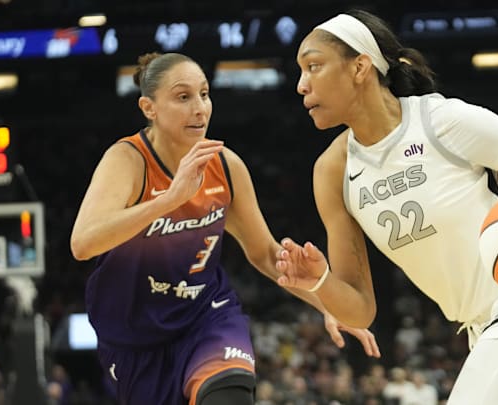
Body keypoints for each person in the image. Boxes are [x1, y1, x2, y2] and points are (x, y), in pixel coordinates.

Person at [276, 9, 498, 405]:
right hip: (487, 326)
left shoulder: (443, 123)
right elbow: (360, 311)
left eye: (313, 66)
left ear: (360, 67)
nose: (301, 85)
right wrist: (318, 281)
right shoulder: (332, 171)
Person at [70, 52, 379, 405]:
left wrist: (329, 304)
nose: (199, 108)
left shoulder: (225, 165)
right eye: (183, 97)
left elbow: (264, 252)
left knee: (228, 394)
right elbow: (82, 243)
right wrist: (168, 200)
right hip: (133, 337)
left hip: (206, 315)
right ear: (148, 108)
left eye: (204, 94)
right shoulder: (127, 160)